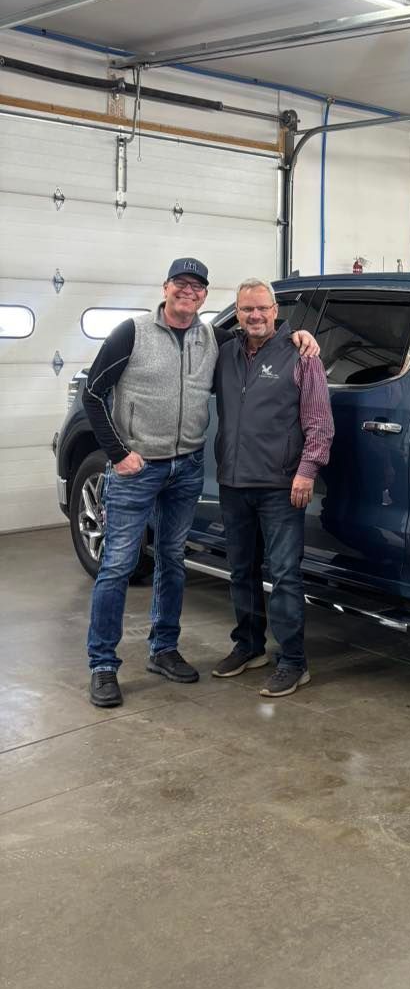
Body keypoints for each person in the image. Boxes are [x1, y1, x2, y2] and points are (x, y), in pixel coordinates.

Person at [83, 258, 320, 708]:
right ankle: (102, 665)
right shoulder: (131, 333)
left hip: (187, 467)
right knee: (117, 566)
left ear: (205, 297)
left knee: (172, 560)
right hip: (139, 469)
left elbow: (261, 336)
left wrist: (298, 334)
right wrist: (118, 454)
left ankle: (164, 650)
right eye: (181, 284)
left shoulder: (212, 336)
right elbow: (93, 392)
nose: (188, 292)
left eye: (196, 287)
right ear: (166, 287)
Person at [211, 278, 334, 697]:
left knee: (283, 575)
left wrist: (306, 471)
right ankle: (248, 647)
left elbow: (319, 422)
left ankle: (294, 662)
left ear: (276, 310)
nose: (255, 316)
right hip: (233, 482)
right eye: (246, 310)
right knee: (240, 570)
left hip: (281, 485)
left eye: (262, 308)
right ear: (238, 314)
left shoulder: (301, 354)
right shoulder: (225, 352)